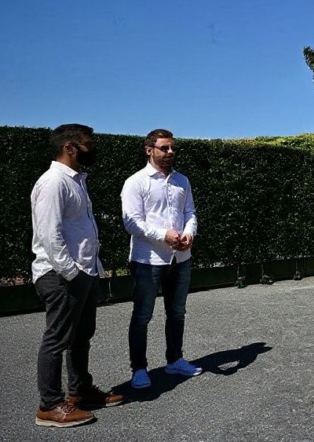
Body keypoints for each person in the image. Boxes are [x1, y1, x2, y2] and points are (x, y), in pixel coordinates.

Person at [30, 124, 123, 427]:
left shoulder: (75, 181)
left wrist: (88, 271)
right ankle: (49, 406)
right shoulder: (54, 182)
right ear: (69, 147)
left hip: (82, 271)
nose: (92, 147)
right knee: (57, 339)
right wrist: (72, 273)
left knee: (81, 337)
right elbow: (49, 235)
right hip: (62, 275)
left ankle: (80, 392)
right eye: (87, 143)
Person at [121, 129, 202, 389]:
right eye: (164, 148)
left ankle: (175, 359)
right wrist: (163, 235)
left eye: (172, 148)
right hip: (148, 260)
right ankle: (139, 369)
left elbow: (190, 212)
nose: (170, 153)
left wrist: (189, 233)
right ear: (149, 150)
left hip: (181, 258)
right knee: (142, 315)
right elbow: (131, 221)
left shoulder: (182, 181)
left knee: (177, 312)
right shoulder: (136, 182)